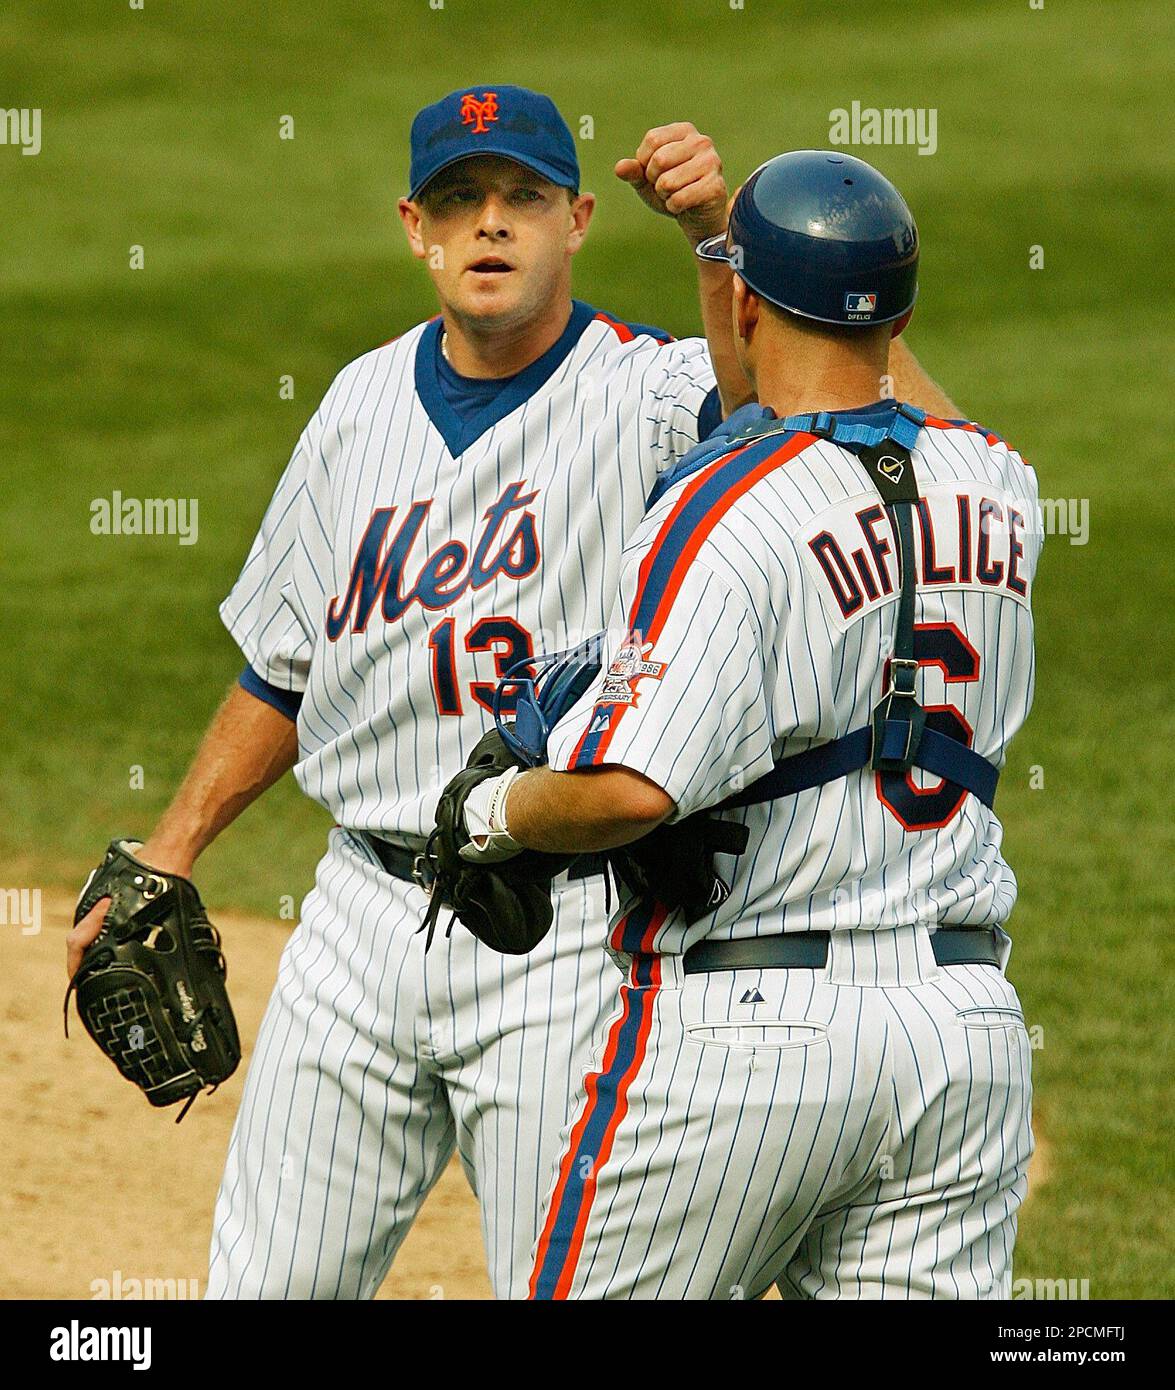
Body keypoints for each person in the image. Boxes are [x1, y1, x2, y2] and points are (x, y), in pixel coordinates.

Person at [67, 90, 958, 1301]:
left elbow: (777, 418)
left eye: (522, 199)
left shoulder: (644, 389)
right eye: (458, 202)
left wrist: (716, 239)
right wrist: (171, 847)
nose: (489, 226)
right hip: (356, 921)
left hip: (566, 927)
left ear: (578, 219)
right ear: (414, 229)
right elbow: (282, 663)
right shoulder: (354, 407)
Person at [459, 151, 1040, 1300]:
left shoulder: (716, 508)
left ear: (740, 301)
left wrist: (491, 812)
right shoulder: (998, 488)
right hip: (961, 1028)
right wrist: (743, 247)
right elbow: (911, 412)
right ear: (902, 314)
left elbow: (633, 789)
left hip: (744, 1039)